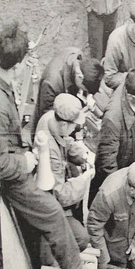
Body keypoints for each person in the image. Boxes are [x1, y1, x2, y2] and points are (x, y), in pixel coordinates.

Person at [0, 22, 82, 269]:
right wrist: (26, 162)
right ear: (17, 65)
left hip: (16, 155)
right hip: (11, 173)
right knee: (53, 213)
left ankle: (39, 262)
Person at [34, 94, 93, 256]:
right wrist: (84, 179)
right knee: (81, 239)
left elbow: (64, 141)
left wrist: (82, 156)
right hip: (48, 207)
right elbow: (61, 195)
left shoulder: (50, 118)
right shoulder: (51, 154)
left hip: (50, 196)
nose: (76, 129)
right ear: (64, 124)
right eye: (74, 125)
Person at [90, 69, 135, 203]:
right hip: (119, 164)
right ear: (130, 97)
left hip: (130, 150)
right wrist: (120, 193)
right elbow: (108, 162)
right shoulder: (112, 118)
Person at [87, 161, 135, 269]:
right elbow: (94, 227)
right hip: (113, 250)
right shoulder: (108, 195)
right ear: (132, 190)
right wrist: (103, 259)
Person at [35, 47, 103, 124]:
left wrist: (88, 96)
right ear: (80, 77)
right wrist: (75, 118)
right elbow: (48, 115)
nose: (85, 91)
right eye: (85, 90)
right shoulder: (51, 84)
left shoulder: (78, 57)